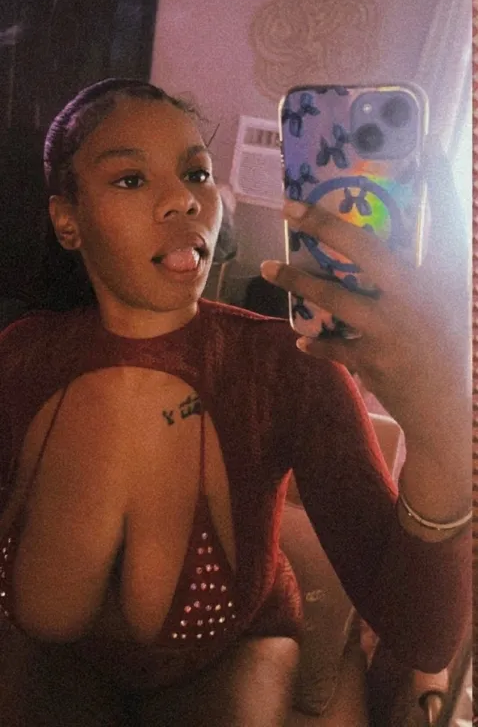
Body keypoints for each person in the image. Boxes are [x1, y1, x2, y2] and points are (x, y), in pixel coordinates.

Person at [0, 78, 471, 726]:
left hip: (231, 655)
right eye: (131, 179)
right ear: (67, 221)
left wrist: (442, 435)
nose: (185, 199)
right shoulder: (21, 357)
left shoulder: (287, 367)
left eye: (196, 173)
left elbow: (421, 637)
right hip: (64, 663)